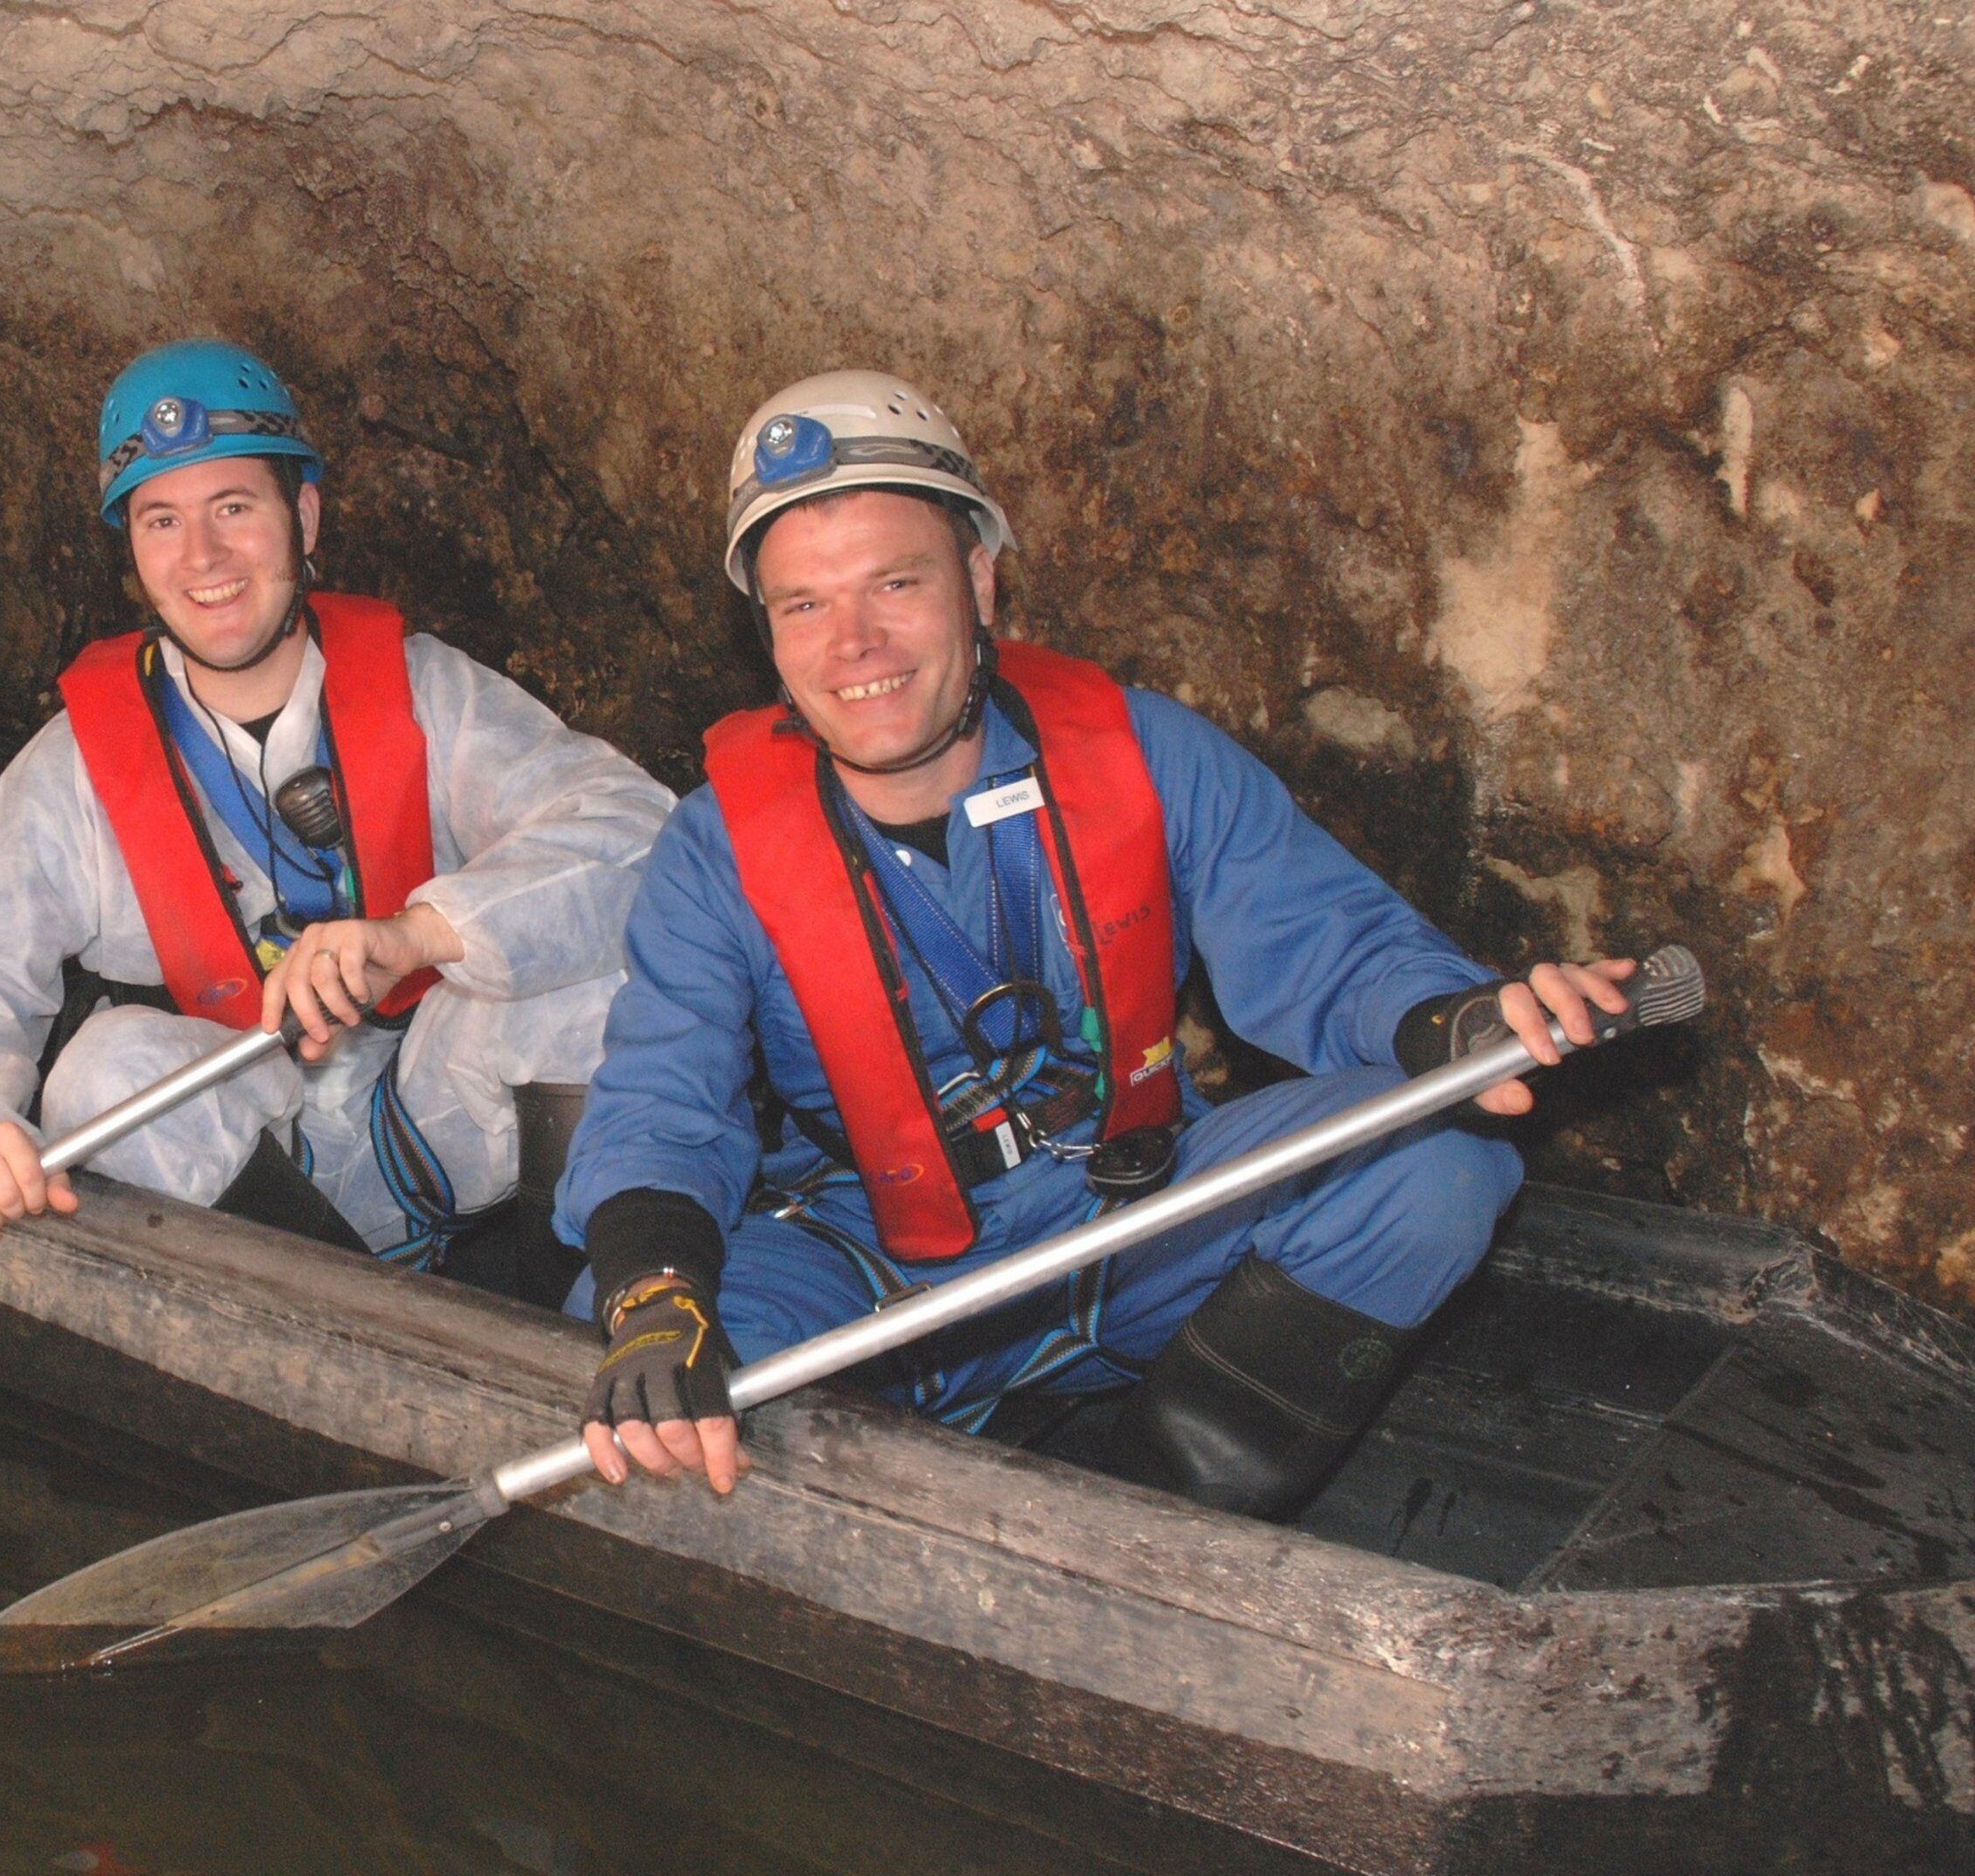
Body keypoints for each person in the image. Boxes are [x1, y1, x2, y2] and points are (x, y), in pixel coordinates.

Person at [557, 370, 1639, 1516]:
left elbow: (1328, 941)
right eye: (804, 606)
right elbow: (663, 1097)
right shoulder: (717, 850)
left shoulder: (1141, 753)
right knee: (629, 1355)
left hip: (1136, 1213)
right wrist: (656, 1295)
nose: (855, 645)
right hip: (873, 1253)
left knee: (1440, 1156)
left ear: (979, 580)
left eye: (896, 583)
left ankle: (1161, 1523)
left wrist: (1458, 1019)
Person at [0, 340, 673, 1271]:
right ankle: (330, 1320)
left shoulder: (422, 693)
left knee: (597, 975)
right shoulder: (79, 763)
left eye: (234, 508)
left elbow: (637, 829)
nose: (202, 556)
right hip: (247, 1158)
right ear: (134, 551)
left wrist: (418, 934)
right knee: (104, 1071)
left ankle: (559, 1310)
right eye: (162, 521)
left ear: (304, 517)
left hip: (434, 1115)